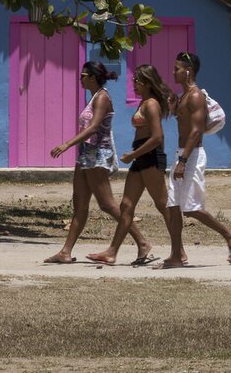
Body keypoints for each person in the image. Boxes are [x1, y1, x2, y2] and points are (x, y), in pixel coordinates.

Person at [45, 61, 153, 264]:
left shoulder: (102, 97)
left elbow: (94, 127)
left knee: (107, 204)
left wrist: (66, 144)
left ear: (92, 77)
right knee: (80, 203)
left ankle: (142, 242)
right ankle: (65, 252)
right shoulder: (94, 97)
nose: (80, 79)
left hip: (98, 155)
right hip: (86, 154)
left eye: (83, 76)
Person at [160, 51, 231, 268]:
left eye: (177, 68)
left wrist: (183, 161)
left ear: (188, 71)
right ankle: (177, 255)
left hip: (192, 156)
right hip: (182, 153)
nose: (173, 72)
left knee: (190, 207)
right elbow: (184, 124)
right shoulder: (183, 97)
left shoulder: (196, 96)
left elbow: (196, 131)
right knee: (173, 205)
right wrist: (173, 108)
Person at [86, 65, 175, 266]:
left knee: (163, 205)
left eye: (137, 80)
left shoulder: (151, 104)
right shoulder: (144, 103)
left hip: (150, 158)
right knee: (126, 205)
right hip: (140, 158)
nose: (134, 83)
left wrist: (133, 154)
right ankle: (112, 252)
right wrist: (135, 156)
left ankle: (179, 250)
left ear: (147, 83)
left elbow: (158, 137)